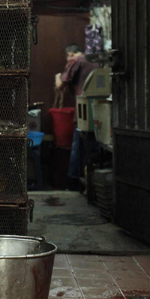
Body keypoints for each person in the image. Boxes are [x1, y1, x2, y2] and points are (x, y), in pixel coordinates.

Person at [54, 44, 99, 190]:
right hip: (99, 109)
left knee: (77, 147)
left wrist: (57, 77)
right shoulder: (95, 60)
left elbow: (60, 86)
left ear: (71, 54)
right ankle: (94, 181)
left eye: (68, 56)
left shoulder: (75, 60)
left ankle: (73, 183)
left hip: (83, 111)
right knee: (96, 146)